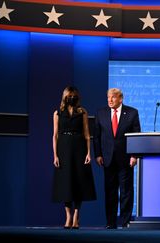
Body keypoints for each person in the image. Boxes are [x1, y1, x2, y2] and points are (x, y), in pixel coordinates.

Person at [93, 88, 141, 229]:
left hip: (126, 159)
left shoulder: (132, 113)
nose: (110, 100)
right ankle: (110, 222)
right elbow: (96, 137)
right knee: (110, 192)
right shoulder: (101, 113)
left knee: (126, 192)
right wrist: (98, 154)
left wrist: (134, 155)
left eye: (113, 97)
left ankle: (125, 222)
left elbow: (136, 135)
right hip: (107, 159)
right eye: (108, 97)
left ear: (121, 99)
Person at [52, 86, 96, 229]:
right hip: (63, 148)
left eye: (74, 95)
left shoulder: (82, 112)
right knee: (66, 183)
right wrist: (55, 155)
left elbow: (87, 133)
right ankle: (68, 216)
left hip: (79, 148)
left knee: (79, 181)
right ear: (64, 97)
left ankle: (76, 215)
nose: (71, 98)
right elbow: (55, 135)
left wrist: (89, 153)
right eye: (69, 95)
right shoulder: (58, 113)